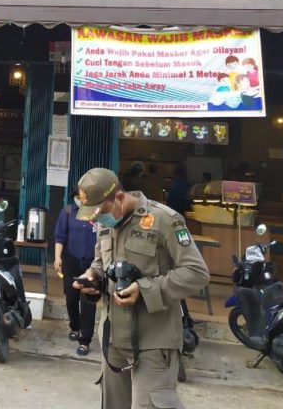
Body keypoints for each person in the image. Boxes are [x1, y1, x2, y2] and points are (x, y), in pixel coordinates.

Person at [74, 167, 209, 409]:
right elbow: (100, 262)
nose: (98, 219)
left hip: (153, 340)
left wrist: (145, 289)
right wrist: (92, 277)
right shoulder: (105, 224)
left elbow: (196, 273)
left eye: (101, 212)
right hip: (112, 337)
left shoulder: (165, 220)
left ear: (119, 197)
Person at [53, 186, 98, 356]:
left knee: (88, 300)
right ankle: (75, 326)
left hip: (92, 263)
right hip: (71, 260)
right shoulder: (67, 211)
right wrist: (57, 257)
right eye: (81, 194)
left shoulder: (98, 213)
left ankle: (85, 340)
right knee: (71, 297)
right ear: (76, 195)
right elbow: (60, 237)